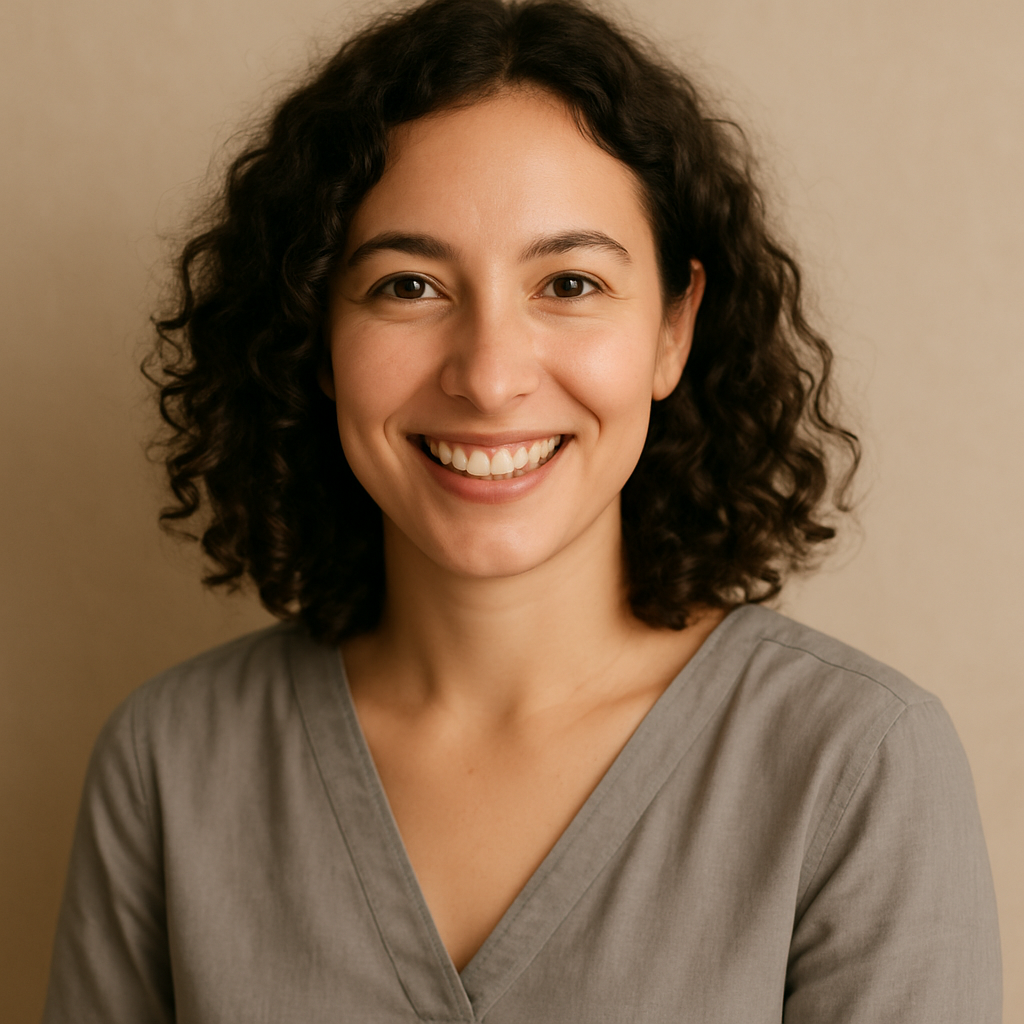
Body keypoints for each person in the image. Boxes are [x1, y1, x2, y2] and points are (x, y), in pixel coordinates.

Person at [43, 0, 1001, 1020]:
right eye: (408, 284)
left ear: (674, 328)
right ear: (316, 331)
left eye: (571, 282)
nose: (490, 376)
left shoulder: (853, 763)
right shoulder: (168, 762)